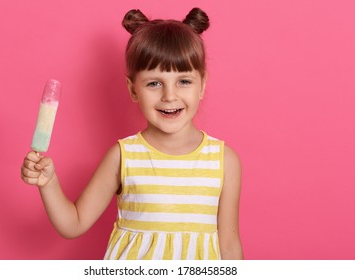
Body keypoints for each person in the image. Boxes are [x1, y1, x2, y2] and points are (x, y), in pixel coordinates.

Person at [21, 7, 243, 260]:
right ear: (133, 89)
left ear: (202, 84)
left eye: (184, 81)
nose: (169, 95)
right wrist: (48, 183)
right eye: (154, 83)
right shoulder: (123, 156)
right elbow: (73, 224)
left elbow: (229, 247)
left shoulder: (224, 161)